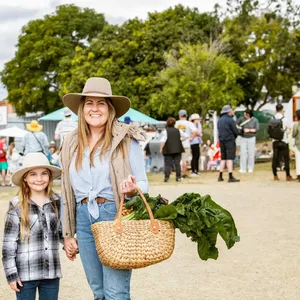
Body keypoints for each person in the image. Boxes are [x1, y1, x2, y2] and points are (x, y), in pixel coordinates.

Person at [60, 77, 148, 299]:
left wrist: (131, 190)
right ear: (82, 108)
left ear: (110, 109)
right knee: (98, 292)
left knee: (115, 293)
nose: (95, 109)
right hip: (82, 217)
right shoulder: (71, 142)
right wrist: (68, 233)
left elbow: (143, 184)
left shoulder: (126, 139)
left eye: (101, 103)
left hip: (113, 215)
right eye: (89, 103)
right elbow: (66, 191)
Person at [2, 152, 62, 300]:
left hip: (51, 273)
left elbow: (61, 232)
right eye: (33, 174)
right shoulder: (17, 205)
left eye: (44, 174)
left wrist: (72, 244)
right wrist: (11, 274)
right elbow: (8, 245)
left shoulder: (57, 202)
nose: (39, 179)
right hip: (25, 275)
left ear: (50, 177)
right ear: (25, 178)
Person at [217, 105, 240, 183]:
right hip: (229, 140)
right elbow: (235, 131)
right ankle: (230, 176)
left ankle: (220, 176)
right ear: (228, 112)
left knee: (223, 158)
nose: (232, 112)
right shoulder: (230, 120)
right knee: (230, 158)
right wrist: (235, 136)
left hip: (221, 140)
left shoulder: (219, 120)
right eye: (231, 111)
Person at [160, 117, 187, 182]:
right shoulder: (178, 130)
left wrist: (161, 148)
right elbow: (186, 136)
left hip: (168, 149)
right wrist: (180, 140)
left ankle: (167, 178)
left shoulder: (165, 131)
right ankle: (178, 177)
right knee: (177, 163)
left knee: (168, 164)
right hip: (178, 148)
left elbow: (163, 141)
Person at [271, 104, 293, 181]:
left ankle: (275, 176)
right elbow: (290, 127)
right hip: (284, 141)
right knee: (286, 159)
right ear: (282, 109)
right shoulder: (285, 119)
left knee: (275, 158)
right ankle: (287, 175)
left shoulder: (272, 118)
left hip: (275, 141)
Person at [175, 109, 197, 178]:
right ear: (186, 115)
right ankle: (183, 173)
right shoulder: (189, 123)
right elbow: (195, 131)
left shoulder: (176, 123)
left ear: (179, 116)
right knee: (185, 159)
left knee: (178, 160)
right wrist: (191, 138)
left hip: (177, 144)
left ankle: (178, 173)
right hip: (186, 143)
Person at [292, 109, 300, 182]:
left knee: (298, 161)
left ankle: (299, 176)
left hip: (298, 145)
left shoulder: (296, 124)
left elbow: (293, 134)